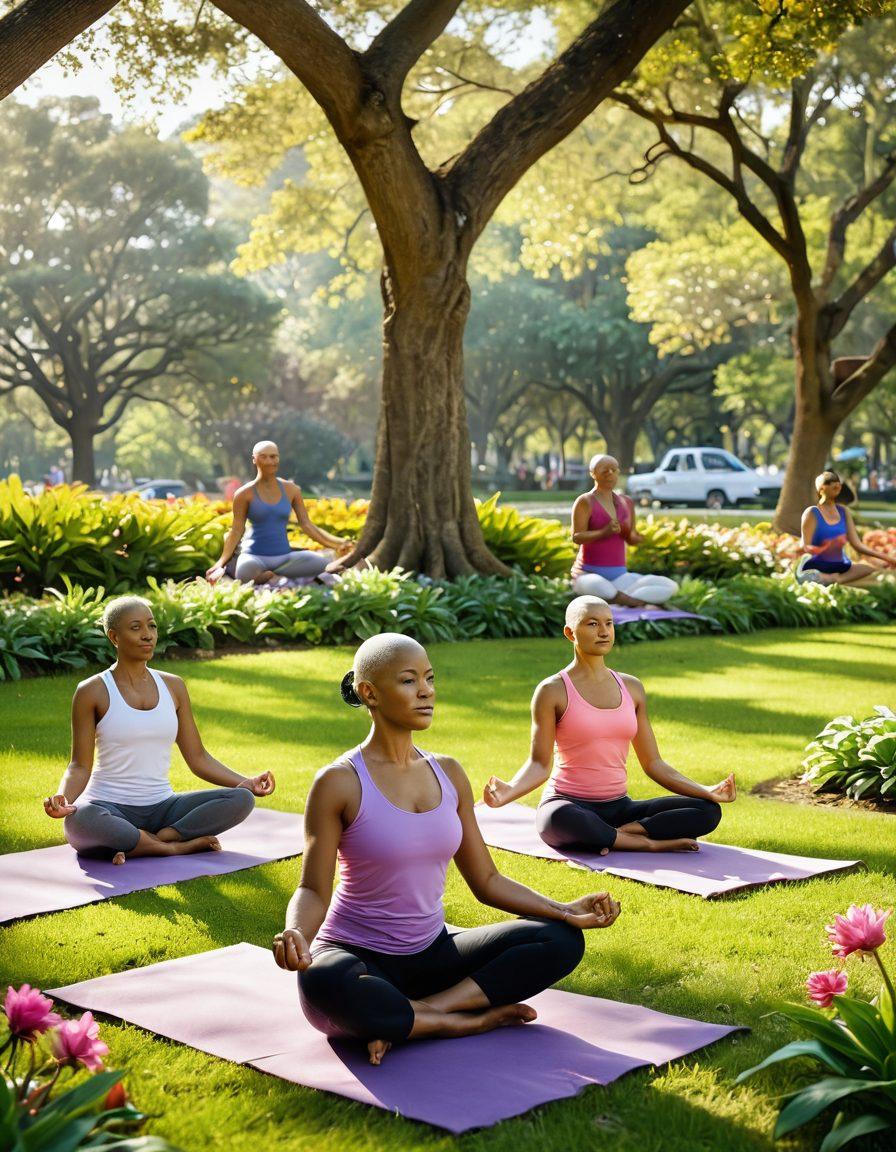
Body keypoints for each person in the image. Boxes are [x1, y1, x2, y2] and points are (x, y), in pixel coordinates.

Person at [273, 633, 621, 1065]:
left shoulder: (449, 773)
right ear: (369, 693)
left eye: (430, 678)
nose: (426, 691)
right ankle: (466, 1021)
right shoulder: (339, 782)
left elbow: (487, 880)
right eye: (408, 681)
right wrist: (297, 933)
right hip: (357, 957)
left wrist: (564, 910)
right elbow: (313, 889)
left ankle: (422, 1014)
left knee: (560, 940)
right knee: (324, 981)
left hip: (433, 954)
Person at [483, 595, 736, 855]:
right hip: (569, 804)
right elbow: (539, 764)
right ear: (570, 633)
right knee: (557, 820)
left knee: (707, 810)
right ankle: (647, 843)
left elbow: (653, 763)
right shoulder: (552, 691)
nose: (604, 632)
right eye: (592, 624)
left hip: (619, 808)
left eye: (609, 623)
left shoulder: (632, 687)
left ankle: (620, 834)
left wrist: (706, 791)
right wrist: (508, 791)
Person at [43, 596, 275, 864]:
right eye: (136, 628)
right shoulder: (91, 691)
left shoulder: (174, 686)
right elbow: (79, 765)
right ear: (114, 637)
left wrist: (246, 783)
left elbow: (198, 758)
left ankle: (150, 840)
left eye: (152, 626)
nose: (147, 635)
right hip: (107, 807)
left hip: (164, 809)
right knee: (81, 820)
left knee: (242, 799)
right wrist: (64, 798)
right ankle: (174, 847)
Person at [206, 441, 352, 585]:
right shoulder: (243, 494)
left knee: (326, 565)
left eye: (273, 456)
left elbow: (307, 525)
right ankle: (274, 577)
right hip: (254, 557)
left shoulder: (292, 490)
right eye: (263, 456)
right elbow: (236, 531)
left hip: (285, 558)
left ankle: (273, 576)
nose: (269, 461)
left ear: (278, 459)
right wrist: (220, 563)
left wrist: (338, 543)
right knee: (244, 572)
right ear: (254, 459)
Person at [571, 455, 677, 607]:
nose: (610, 474)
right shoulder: (585, 501)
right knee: (597, 586)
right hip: (589, 575)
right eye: (604, 471)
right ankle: (629, 601)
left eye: (613, 470)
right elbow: (577, 537)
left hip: (620, 577)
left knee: (671, 586)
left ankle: (621, 599)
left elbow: (632, 539)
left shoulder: (626, 502)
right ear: (593, 473)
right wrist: (603, 532)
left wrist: (644, 538)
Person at [796, 470, 894, 586]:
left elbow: (858, 545)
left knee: (868, 569)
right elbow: (803, 546)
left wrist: (887, 558)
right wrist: (823, 547)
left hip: (838, 565)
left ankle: (832, 579)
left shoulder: (844, 512)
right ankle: (819, 577)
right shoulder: (812, 512)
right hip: (818, 563)